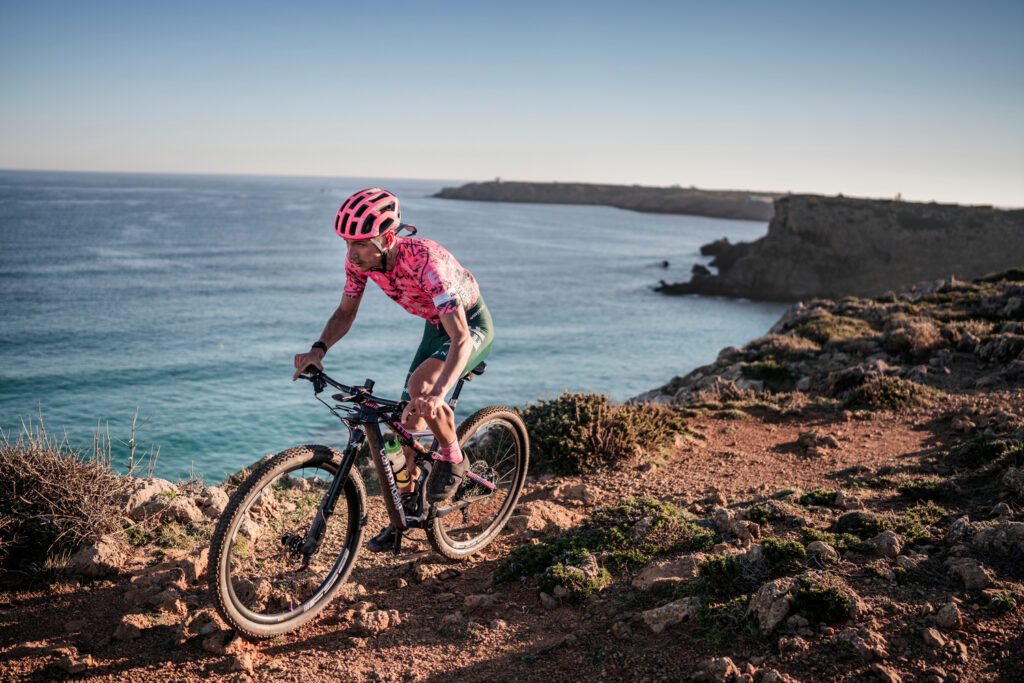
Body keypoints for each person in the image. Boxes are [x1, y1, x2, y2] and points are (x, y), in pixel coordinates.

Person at [292, 188, 493, 552]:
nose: (351, 253)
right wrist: (317, 351)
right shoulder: (359, 263)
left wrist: (438, 393)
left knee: (424, 388)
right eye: (347, 243)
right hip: (436, 327)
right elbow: (344, 313)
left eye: (360, 244)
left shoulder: (426, 262)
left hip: (469, 325)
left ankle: (453, 458)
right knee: (405, 429)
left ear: (386, 239)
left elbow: (461, 337)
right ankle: (406, 518)